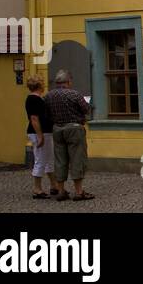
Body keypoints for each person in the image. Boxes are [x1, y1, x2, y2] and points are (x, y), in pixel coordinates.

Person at [45, 69, 93, 202]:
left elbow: (47, 113)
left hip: (57, 129)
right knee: (77, 158)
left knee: (60, 160)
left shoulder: (48, 96)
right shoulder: (74, 94)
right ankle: (79, 191)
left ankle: (61, 191)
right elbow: (86, 109)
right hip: (74, 128)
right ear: (68, 81)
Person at [24, 75, 57, 199]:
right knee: (40, 159)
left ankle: (54, 185)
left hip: (45, 132)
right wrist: (40, 136)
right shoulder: (33, 99)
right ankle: (37, 189)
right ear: (40, 85)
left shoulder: (37, 98)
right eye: (42, 83)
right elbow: (34, 118)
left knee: (49, 159)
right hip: (39, 132)